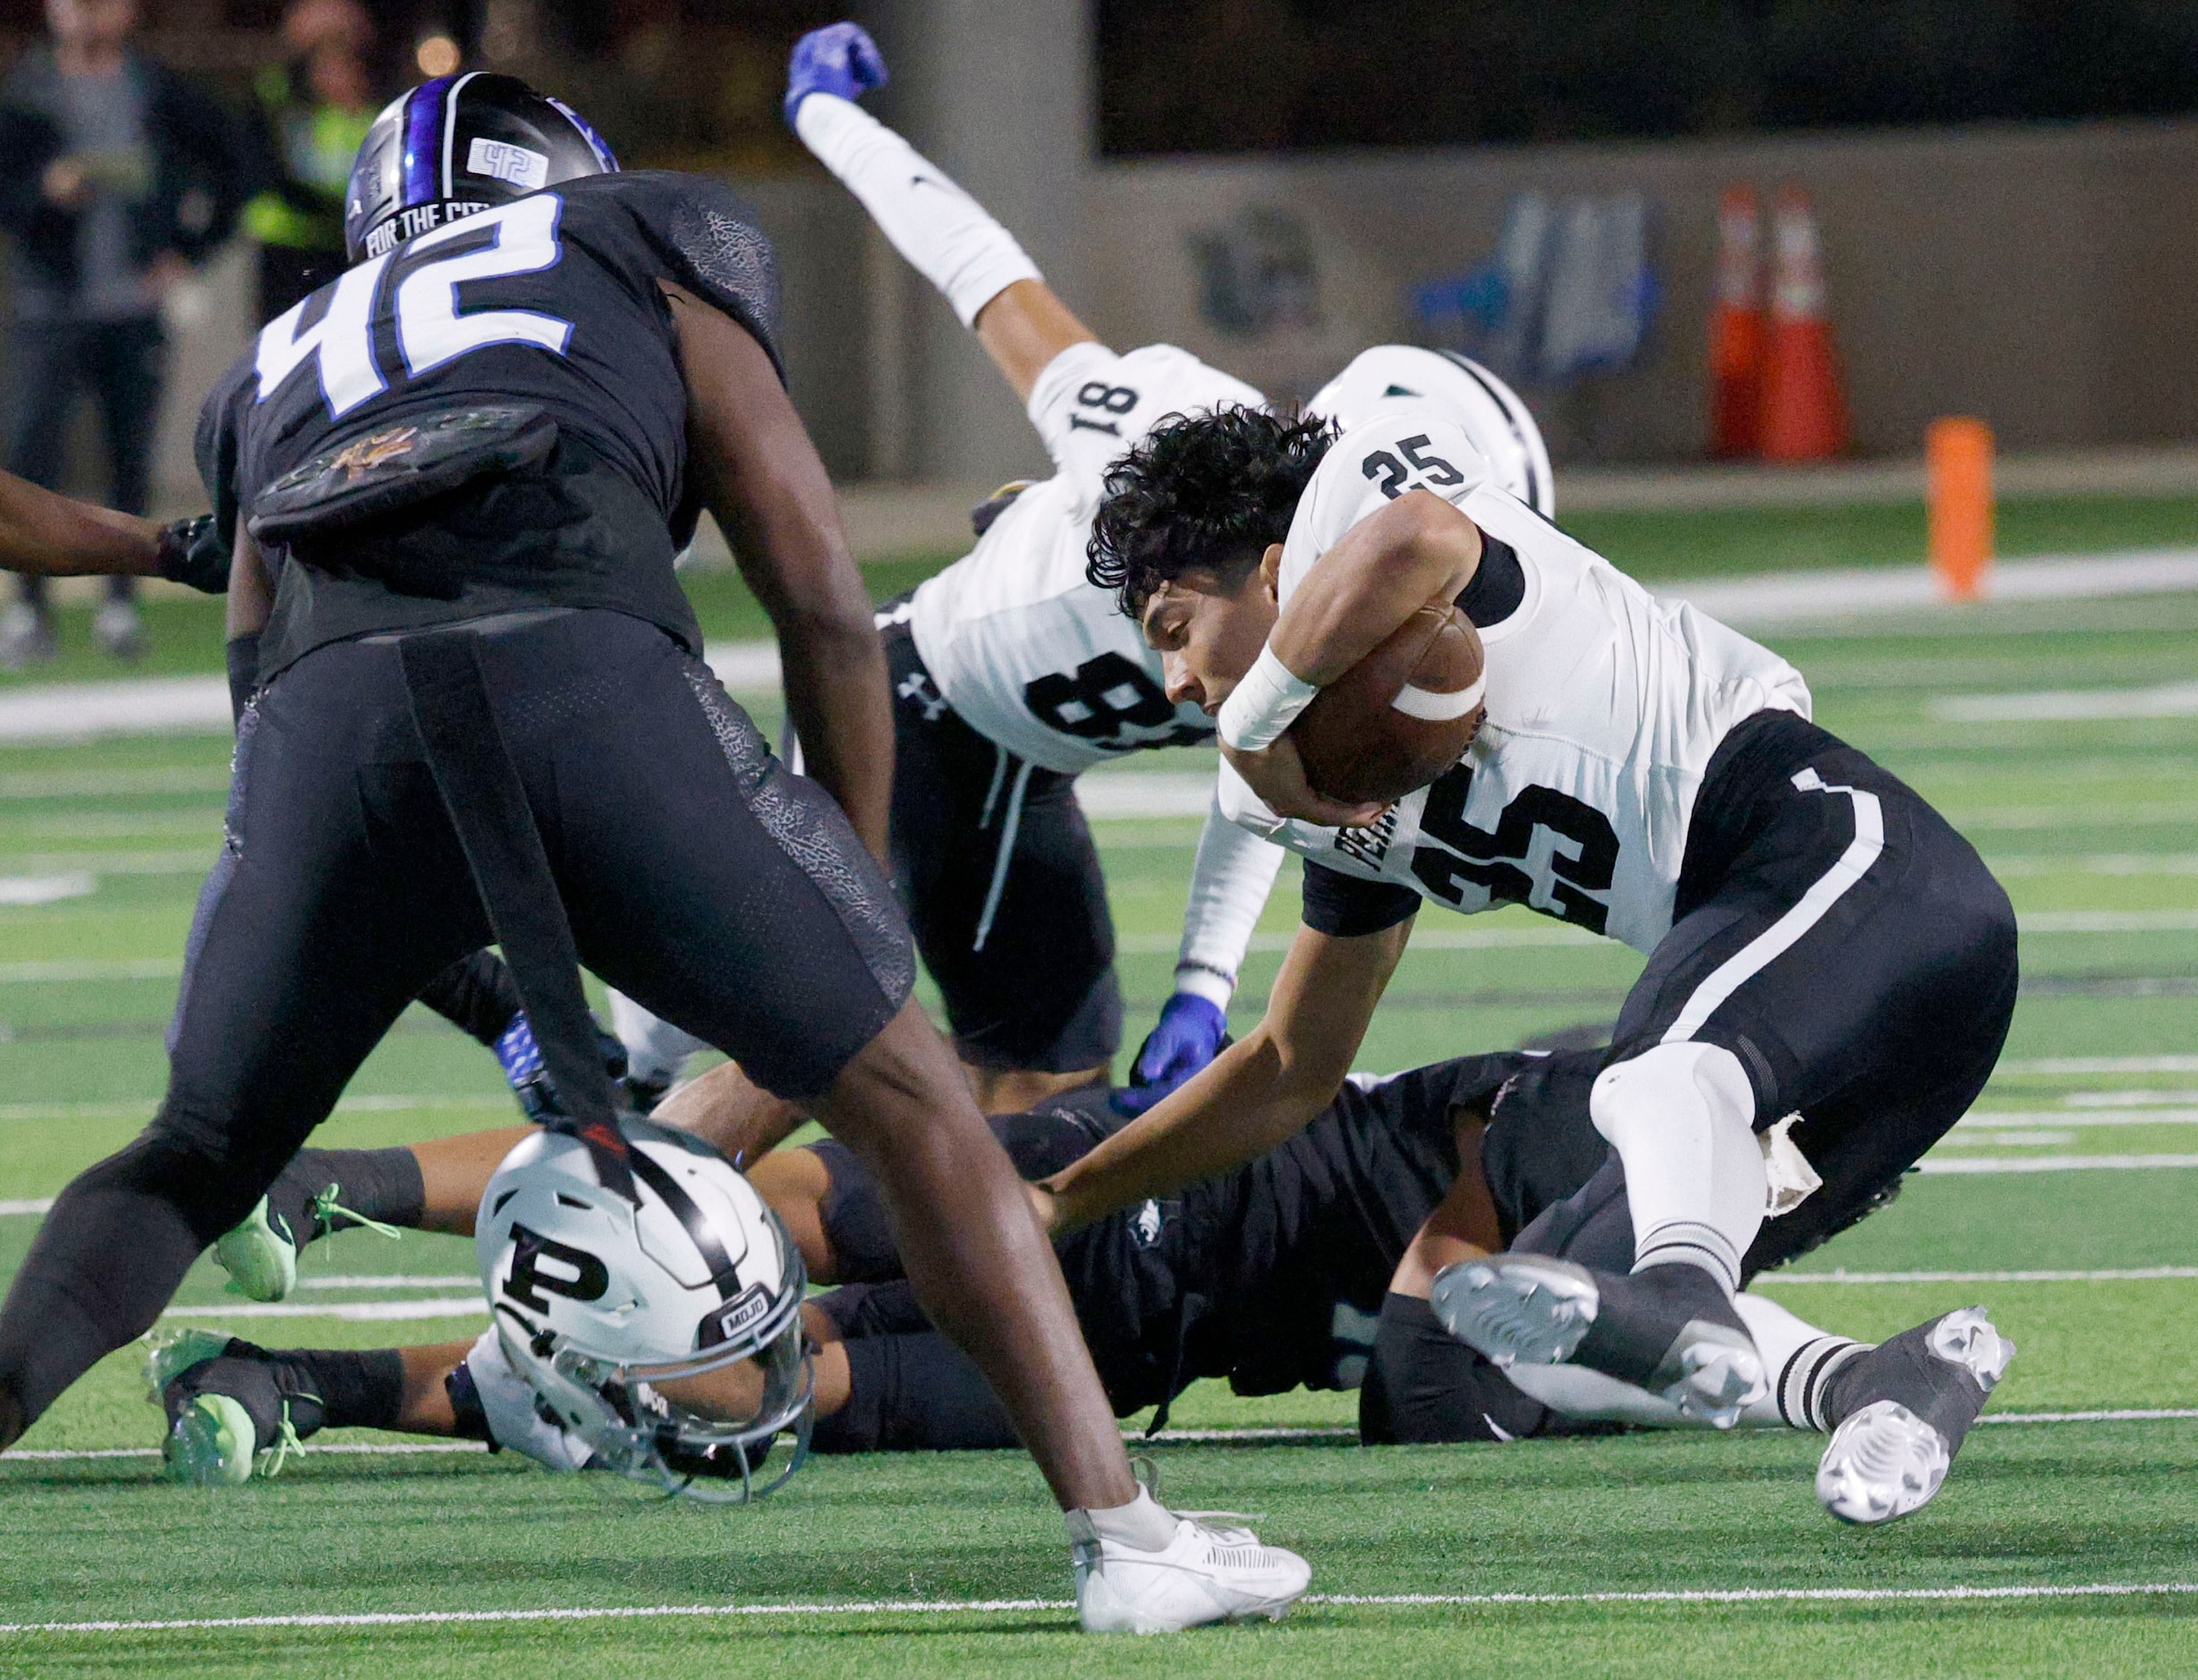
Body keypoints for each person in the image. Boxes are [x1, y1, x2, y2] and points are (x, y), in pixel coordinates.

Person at [0, 73, 1305, 1633]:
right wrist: (850, 867)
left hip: (323, 734)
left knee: (191, 1152)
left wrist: (481, 979)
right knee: (903, 1089)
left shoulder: (281, 358)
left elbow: (267, 712)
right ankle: (1125, 1537)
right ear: (562, 179)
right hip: (584, 673)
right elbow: (817, 584)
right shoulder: (642, 237)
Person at [1035, 384, 2018, 1499]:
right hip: (1829, 1055)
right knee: (1458, 1371)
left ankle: (1682, 1280)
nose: (1174, 682)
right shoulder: (1326, 784)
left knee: (1656, 1069)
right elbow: (1289, 1068)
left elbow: (1423, 539)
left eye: (1176, 630)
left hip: (1852, 865)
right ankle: (1877, 1382)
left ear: (1272, 574)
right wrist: (1065, 1199)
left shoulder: (1354, 504)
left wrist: (1256, 719)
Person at [612, 23, 1558, 1116]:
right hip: (905, 700)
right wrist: (829, 116)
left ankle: (690, 1124)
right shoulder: (1163, 437)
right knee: (830, 1039)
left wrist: (1203, 987)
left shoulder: (1322, 581)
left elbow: (1260, 757)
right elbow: (983, 274)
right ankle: (635, 1107)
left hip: (1020, 764)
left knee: (1042, 1098)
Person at [164, 1043, 2011, 1525]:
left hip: (1138, 1356)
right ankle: (322, 1183)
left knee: (747, 1388)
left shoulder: (1677, 1261)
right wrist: (1503, 1314)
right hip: (1135, 1197)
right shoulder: (1611, 1106)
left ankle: (292, 1382)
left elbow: (1449, 1381)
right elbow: (1454, 1293)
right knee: (752, 1207)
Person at [0, 0, 243, 666]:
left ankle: (121, 604)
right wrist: (41, 194)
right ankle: (28, 610)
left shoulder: (157, 88)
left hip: (130, 305)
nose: (82, 12)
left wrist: (186, 252)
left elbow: (238, 166)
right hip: (47, 304)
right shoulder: (25, 90)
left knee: (127, 455)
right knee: (28, 453)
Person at [242, 0, 380, 323]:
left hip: (343, 249)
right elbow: (278, 170)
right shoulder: (286, 106)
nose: (336, 76)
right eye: (326, 65)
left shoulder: (366, 116)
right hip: (287, 246)